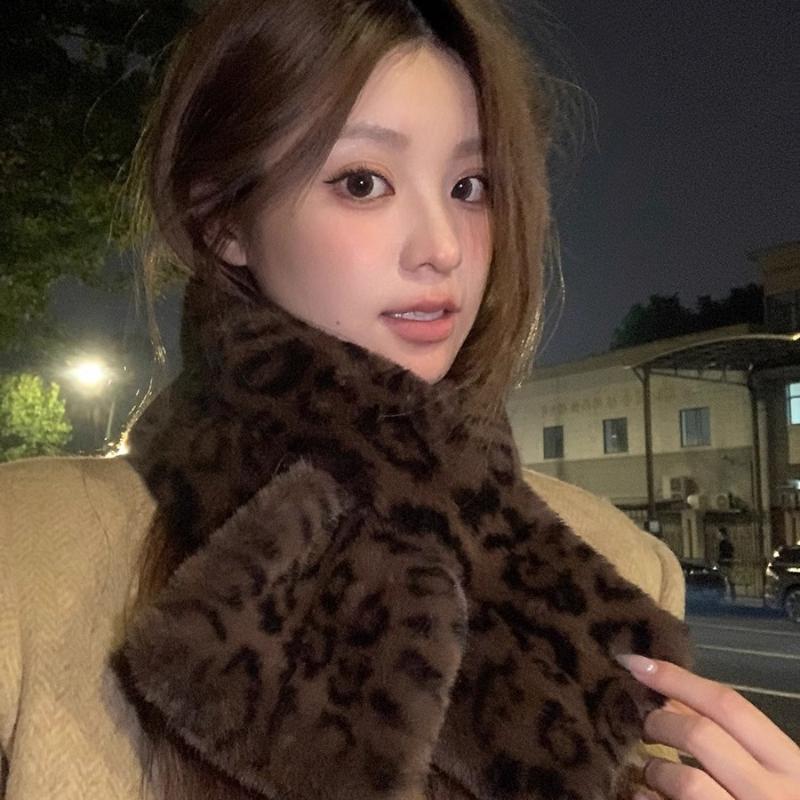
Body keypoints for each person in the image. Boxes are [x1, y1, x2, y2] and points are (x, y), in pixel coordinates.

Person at [0, 1, 798, 799]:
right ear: (221, 222)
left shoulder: (620, 566)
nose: (443, 248)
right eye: (363, 182)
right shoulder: (26, 554)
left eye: (470, 186)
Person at [717, 526, 737, 603]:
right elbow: (732, 551)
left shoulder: (722, 543)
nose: (718, 535)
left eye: (719, 534)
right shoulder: (729, 542)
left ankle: (722, 596)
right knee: (731, 581)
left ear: (722, 534)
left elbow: (722, 553)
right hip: (729, 563)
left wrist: (720, 560)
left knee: (722, 581)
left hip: (723, 563)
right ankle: (733, 596)